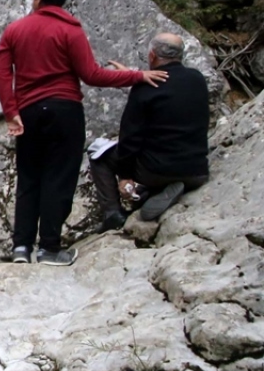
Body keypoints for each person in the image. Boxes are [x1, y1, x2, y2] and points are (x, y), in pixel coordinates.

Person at [0, 0, 166, 266]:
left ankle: (21, 247)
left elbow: (1, 71)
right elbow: (91, 74)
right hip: (64, 110)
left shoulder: (15, 30)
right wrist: (136, 75)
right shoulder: (71, 31)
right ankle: (49, 248)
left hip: (29, 112)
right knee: (58, 178)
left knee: (29, 178)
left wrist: (11, 112)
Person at [89, 33, 210, 231]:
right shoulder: (197, 79)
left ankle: (113, 214)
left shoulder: (144, 89)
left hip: (157, 170)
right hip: (196, 170)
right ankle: (159, 192)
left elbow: (130, 138)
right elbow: (169, 90)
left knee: (98, 155)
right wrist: (134, 77)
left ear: (152, 55)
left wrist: (126, 176)